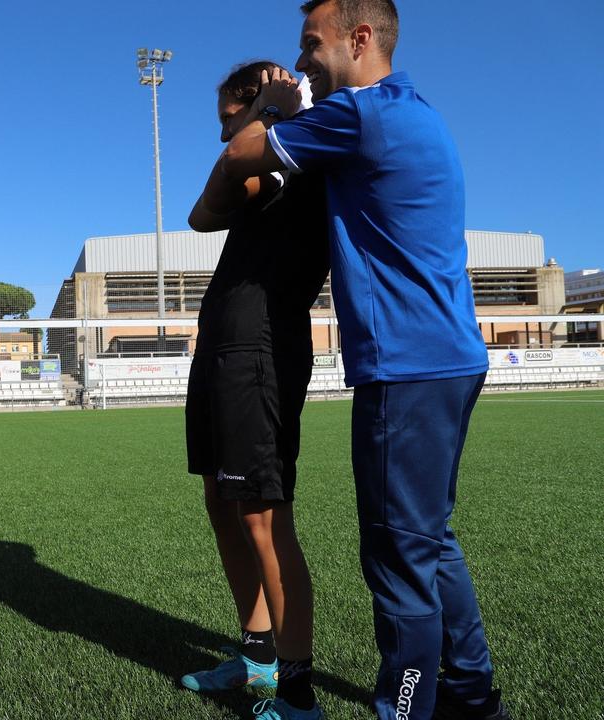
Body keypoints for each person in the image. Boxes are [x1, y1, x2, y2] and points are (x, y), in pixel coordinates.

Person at [208, 2, 511, 719]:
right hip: (446, 357)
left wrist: (273, 104)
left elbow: (238, 155)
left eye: (311, 44)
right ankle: (472, 695)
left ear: (361, 39)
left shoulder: (362, 113)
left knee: (398, 558)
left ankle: (406, 710)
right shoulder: (411, 109)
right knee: (428, 540)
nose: (301, 61)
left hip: (406, 365)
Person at [182, 62, 328, 720]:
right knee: (222, 501)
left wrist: (269, 114)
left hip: (263, 348)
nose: (224, 133)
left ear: (260, 103)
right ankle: (258, 653)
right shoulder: (258, 155)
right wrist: (250, 133)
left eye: (229, 118)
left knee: (263, 516)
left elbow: (229, 172)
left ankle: (296, 693)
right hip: (222, 344)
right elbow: (200, 213)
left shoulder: (307, 150)